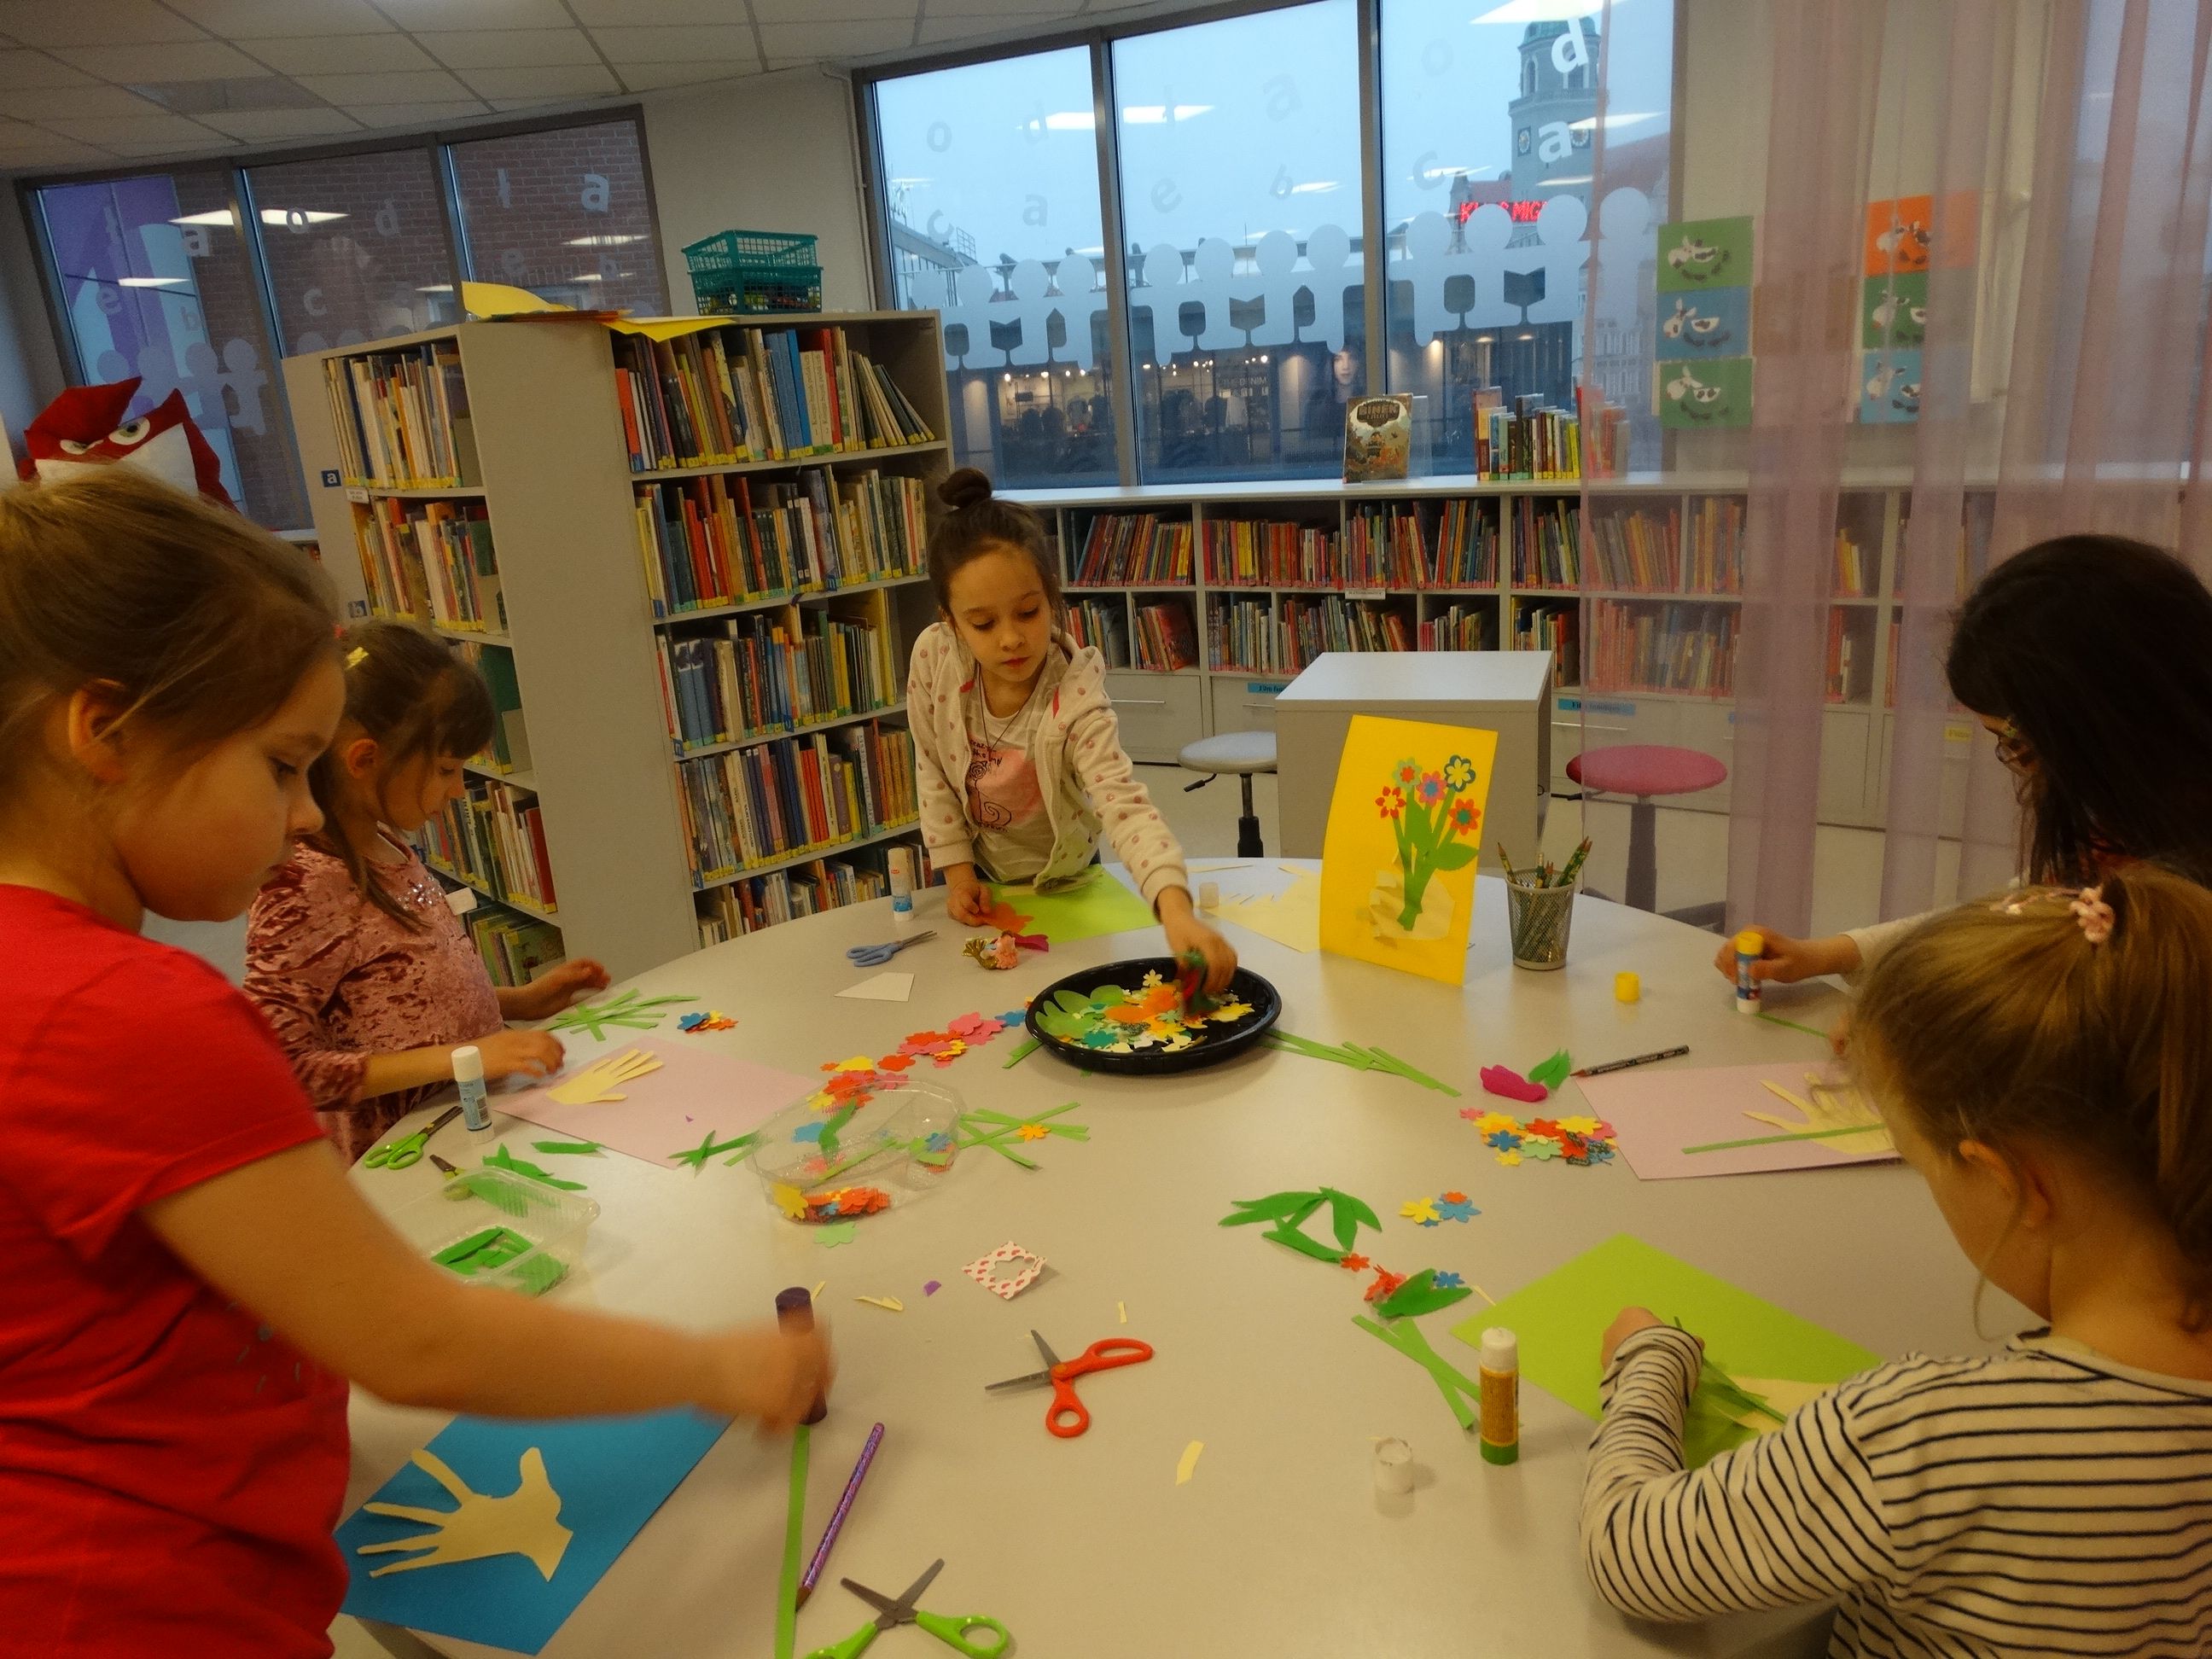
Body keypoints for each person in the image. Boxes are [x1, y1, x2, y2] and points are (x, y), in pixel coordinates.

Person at [0, 470, 829, 1656]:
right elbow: (417, 1340)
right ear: (107, 732)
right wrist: (721, 1366)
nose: (304, 816)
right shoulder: (130, 1015)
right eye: (280, 767)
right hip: (144, 1608)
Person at [1589, 866, 2212, 1655]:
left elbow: (1636, 1553)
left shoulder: (1931, 1435)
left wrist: (1648, 1364)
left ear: (2008, 1184)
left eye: (1925, 1168)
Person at [1715, 533, 2212, 987]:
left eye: (2019, 744)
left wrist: (1919, 1024)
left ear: (2104, 721)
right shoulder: (2122, 815)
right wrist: (1833, 953)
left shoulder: (2181, 901)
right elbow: (2012, 914)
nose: (2025, 769)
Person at [245, 620, 608, 1162]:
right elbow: (284, 1068)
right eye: (445, 769)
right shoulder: (303, 886)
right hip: (399, 1160)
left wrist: (516, 1001)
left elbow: (396, 1005)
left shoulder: (389, 847)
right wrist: (468, 1055)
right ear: (364, 760)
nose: (459, 790)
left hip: (468, 1131)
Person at [908, 468, 1237, 991]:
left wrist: (1176, 911)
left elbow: (1123, 803)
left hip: (1068, 877)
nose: (1011, 639)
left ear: (1052, 597)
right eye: (983, 623)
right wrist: (958, 873)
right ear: (951, 622)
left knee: (1075, 991)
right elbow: (932, 768)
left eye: (1028, 612)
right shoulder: (934, 659)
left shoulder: (1076, 694)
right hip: (981, 872)